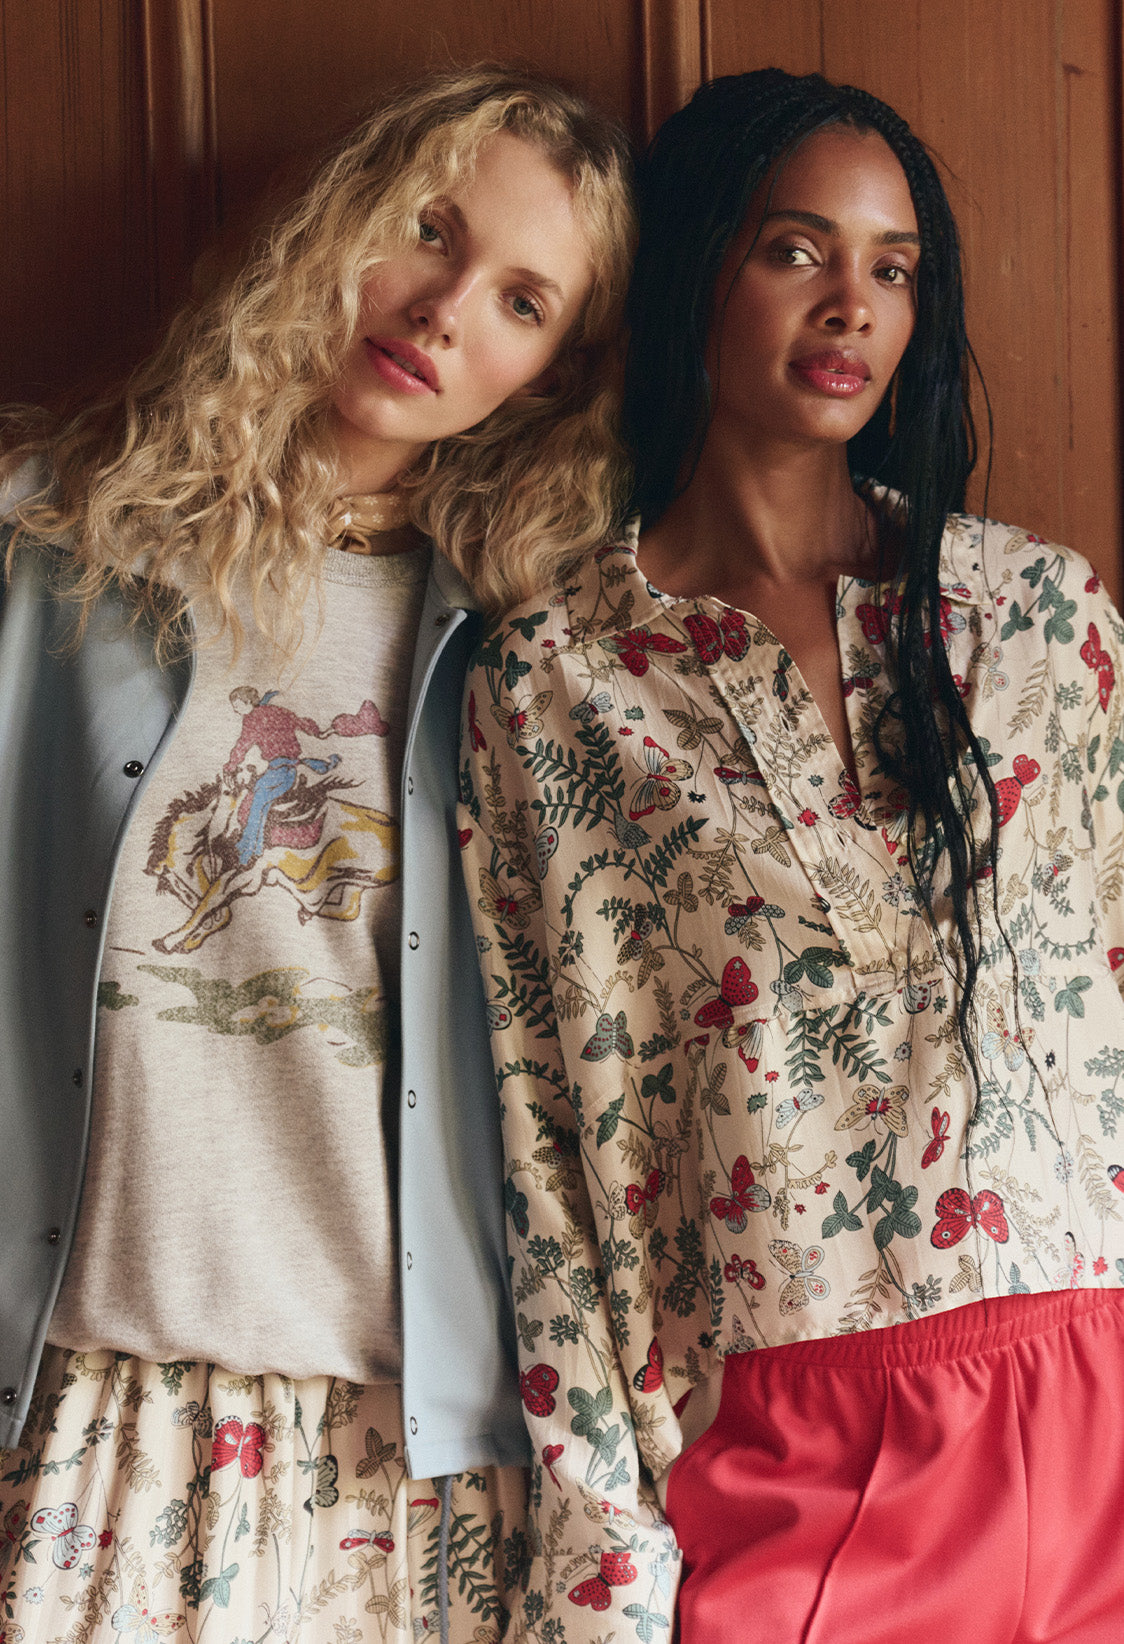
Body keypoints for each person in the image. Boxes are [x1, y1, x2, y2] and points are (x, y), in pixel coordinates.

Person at [459, 66, 1124, 1644]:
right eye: (797, 251)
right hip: (793, 1437)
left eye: (895, 269)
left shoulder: (1041, 622)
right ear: (697, 264)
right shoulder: (560, 680)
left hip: (1101, 1387)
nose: (855, 307)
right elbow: (555, 1142)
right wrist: (607, 1565)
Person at [0, 64, 633, 1643]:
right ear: (340, 215)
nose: (441, 308)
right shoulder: (51, 548)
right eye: (430, 229)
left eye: (519, 300)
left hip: (403, 1455)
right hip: (86, 1407)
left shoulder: (529, 653)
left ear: (551, 375)